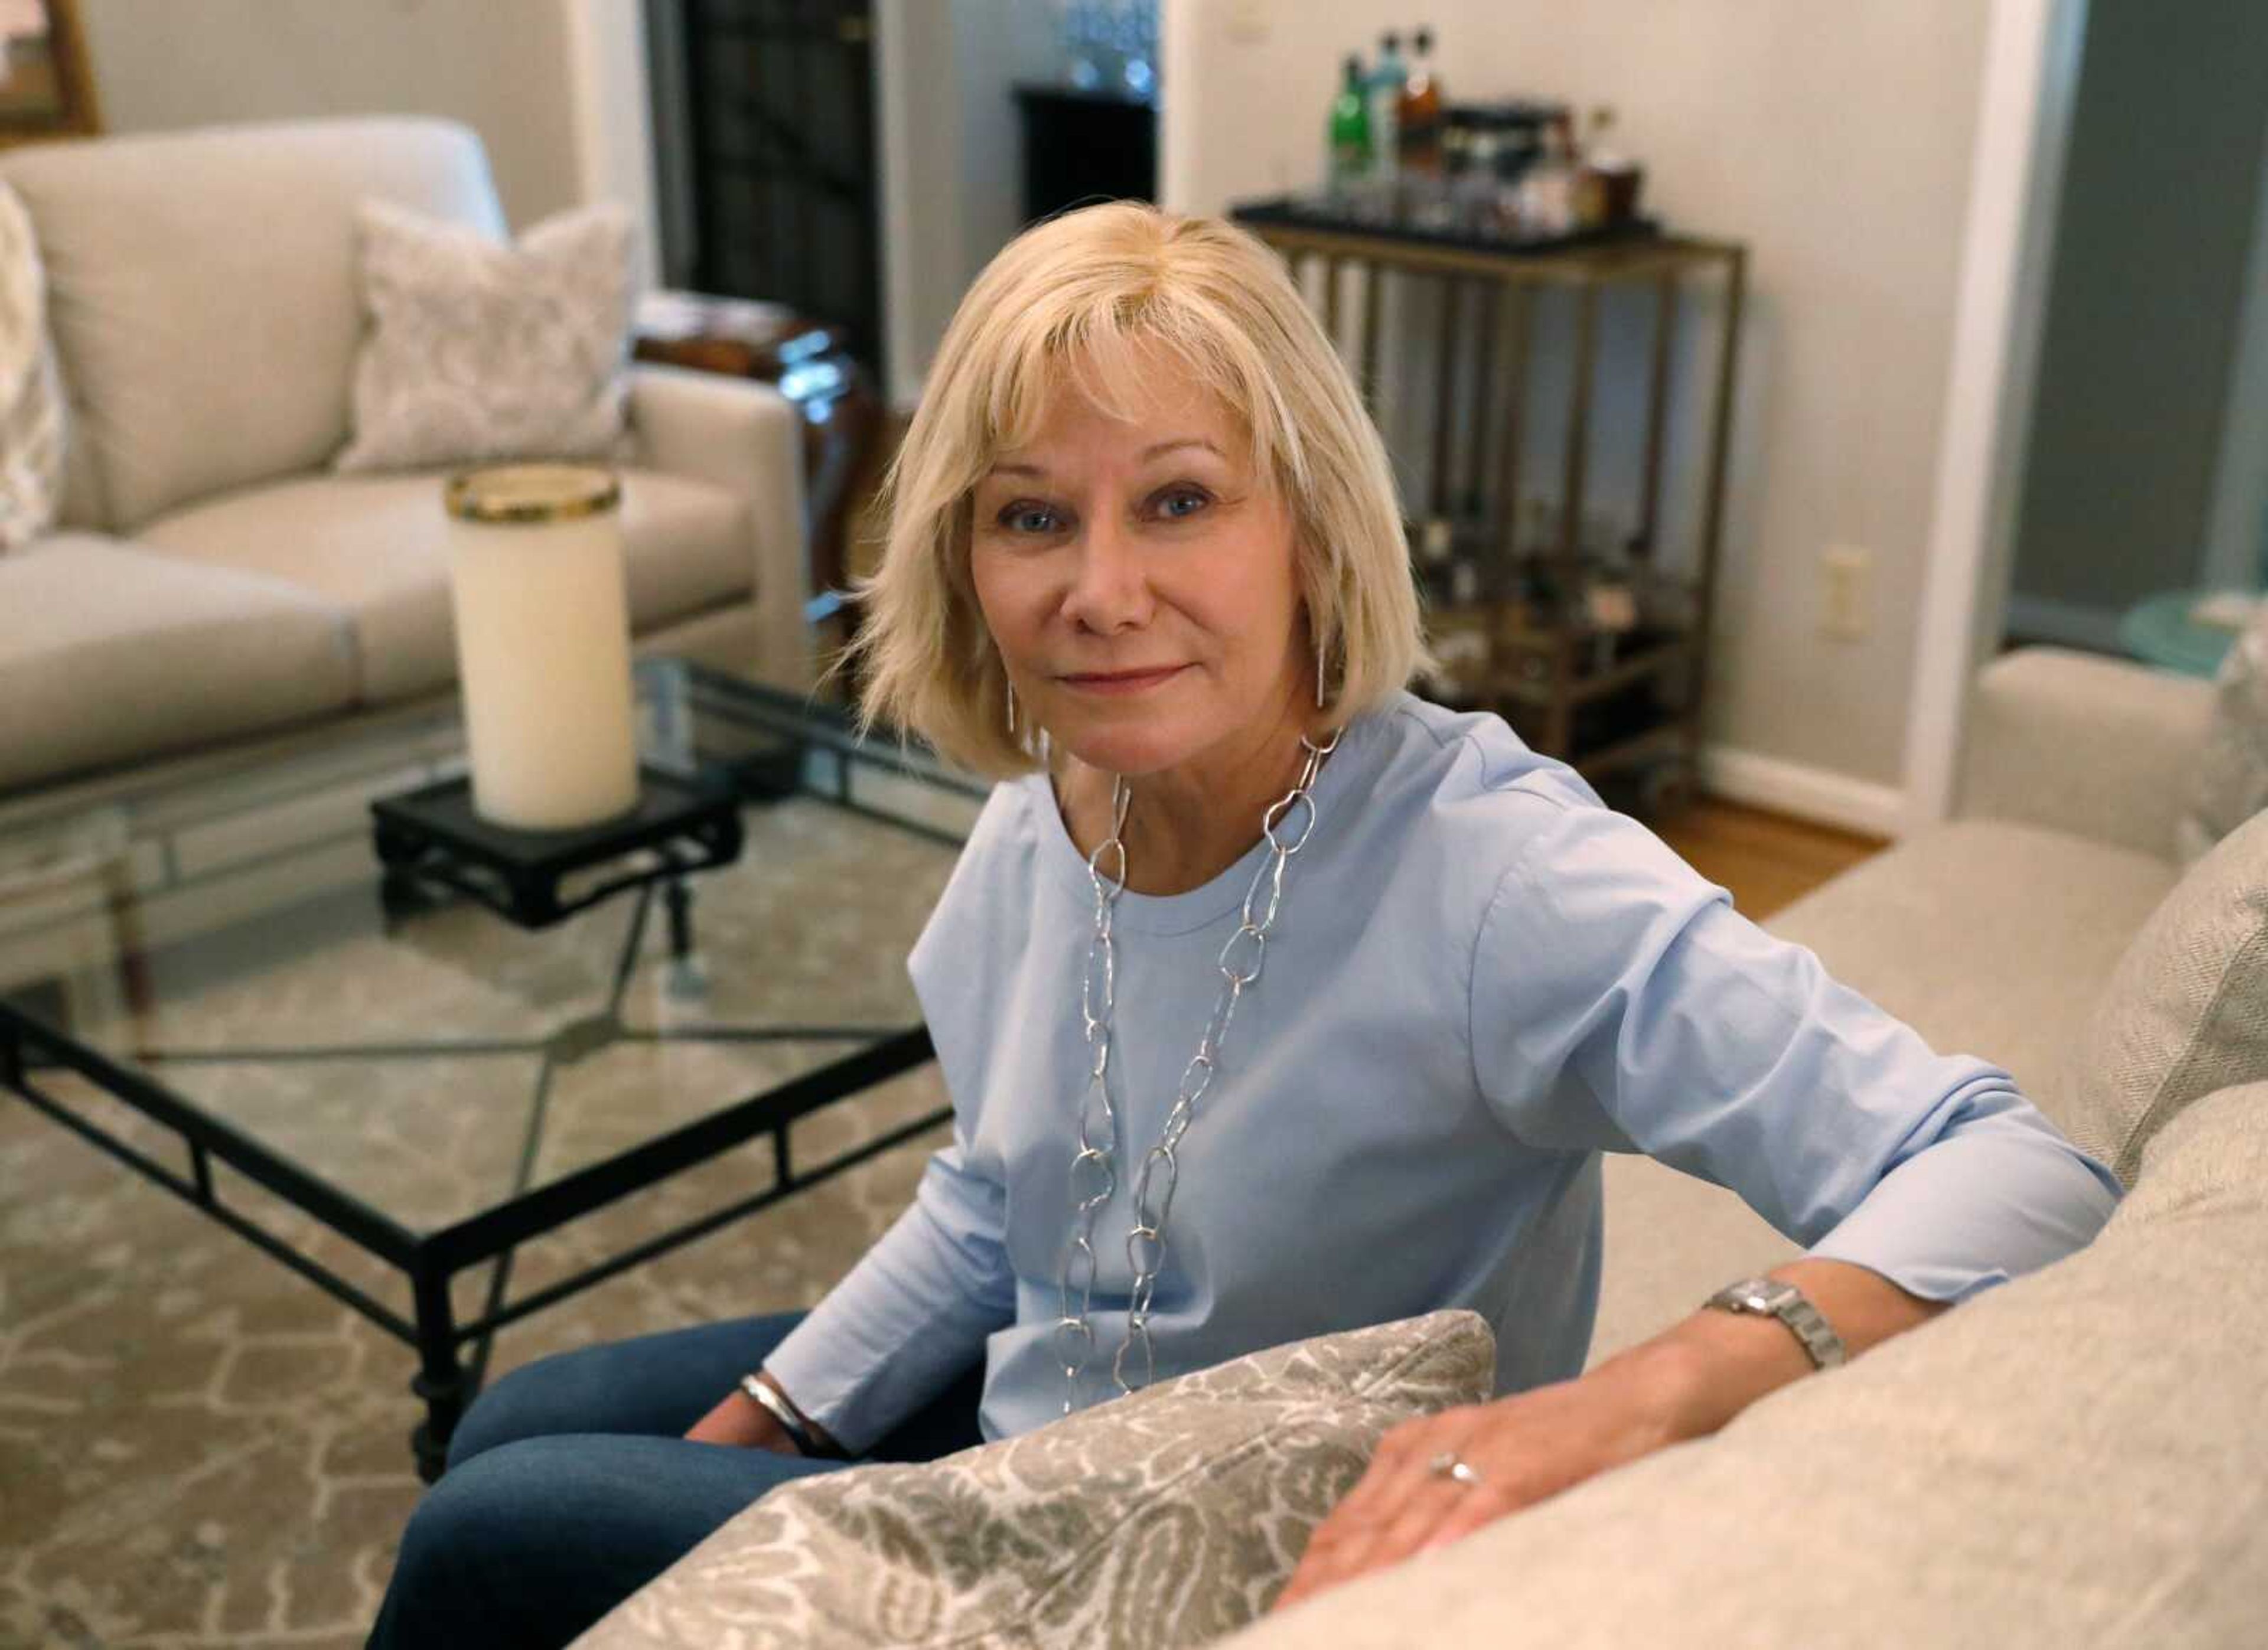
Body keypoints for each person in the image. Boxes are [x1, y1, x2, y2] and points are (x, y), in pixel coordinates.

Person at [367, 202, 2122, 1646]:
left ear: (1309, 525)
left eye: (1181, 500)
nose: (1099, 592)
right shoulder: (1039, 816)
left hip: (1225, 1537)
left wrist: (1631, 1397)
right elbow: (1000, 1193)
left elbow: (2013, 1168)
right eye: (1032, 517)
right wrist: (780, 1421)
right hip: (1040, 1427)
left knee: (489, 1534)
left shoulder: (1497, 874)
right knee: (529, 1418)